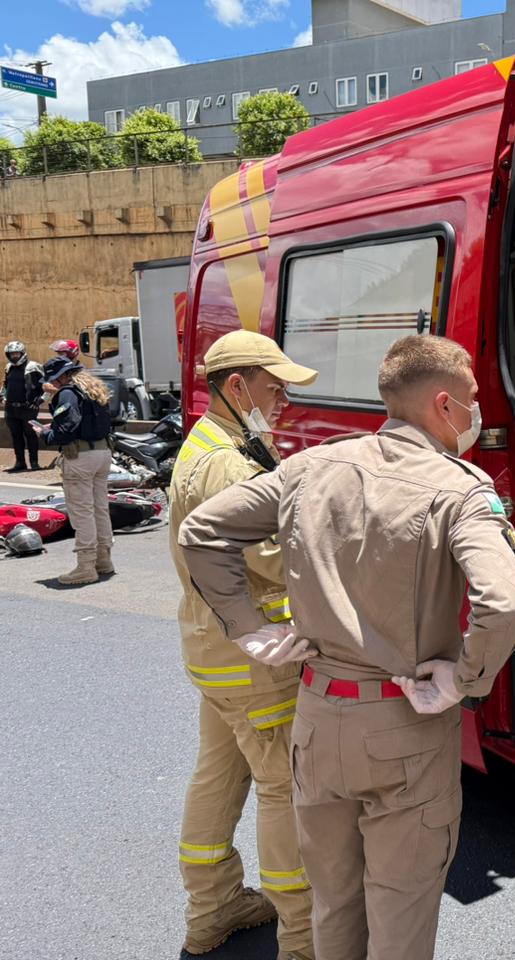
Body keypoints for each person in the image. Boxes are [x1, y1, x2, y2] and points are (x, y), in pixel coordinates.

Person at [178, 334, 515, 960]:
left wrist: (248, 630)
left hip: (316, 719)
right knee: (400, 912)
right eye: (474, 399)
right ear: (446, 406)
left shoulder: (311, 466)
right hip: (405, 723)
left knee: (334, 906)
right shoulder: (459, 487)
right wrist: (464, 678)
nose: (479, 413)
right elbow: (505, 599)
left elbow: (202, 530)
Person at [167, 330, 318, 960]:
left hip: (215, 653)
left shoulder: (208, 445)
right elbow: (275, 561)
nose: (282, 396)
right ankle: (304, 934)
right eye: (273, 383)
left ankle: (213, 907)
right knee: (284, 786)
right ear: (237, 386)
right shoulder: (231, 464)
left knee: (219, 775)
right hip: (256, 661)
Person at [34, 357, 114, 584]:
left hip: (80, 458)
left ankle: (86, 567)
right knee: (100, 509)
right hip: (102, 453)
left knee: (82, 512)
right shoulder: (93, 388)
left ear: (62, 376)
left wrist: (46, 434)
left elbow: (67, 428)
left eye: (54, 380)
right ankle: (103, 560)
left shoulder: (68, 393)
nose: (53, 385)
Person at [4, 341, 44, 472]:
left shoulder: (33, 366)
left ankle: (34, 463)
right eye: (12, 354)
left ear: (22, 353)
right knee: (16, 436)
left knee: (31, 435)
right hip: (11, 409)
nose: (14, 356)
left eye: (16, 353)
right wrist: (3, 396)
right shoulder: (9, 367)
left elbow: (47, 384)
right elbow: (6, 385)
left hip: (28, 409)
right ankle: (20, 462)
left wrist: (39, 400)